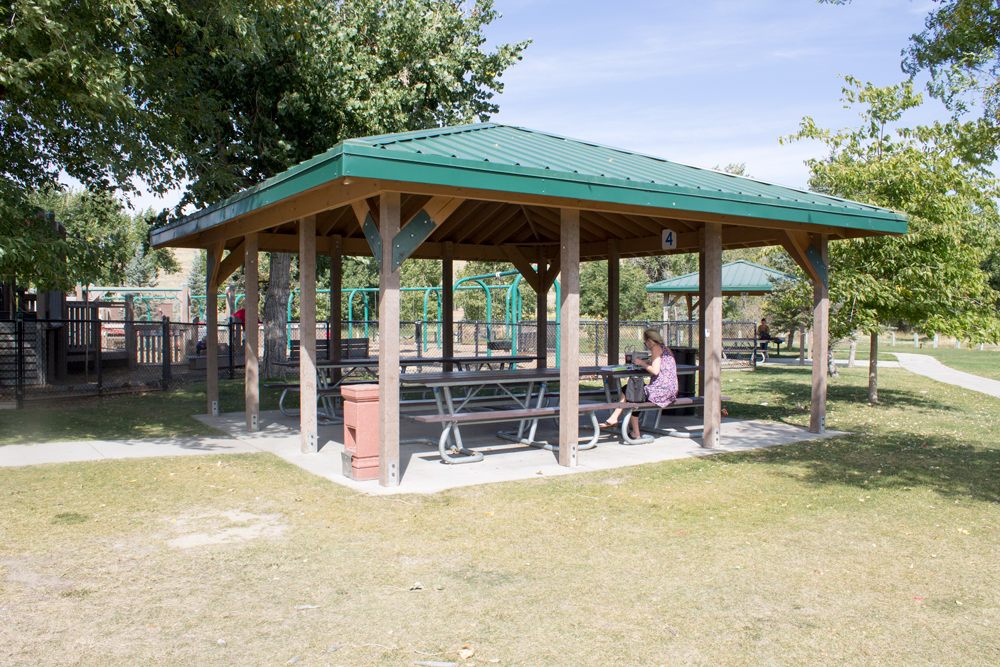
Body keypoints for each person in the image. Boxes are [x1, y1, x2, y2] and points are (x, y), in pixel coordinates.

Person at [600, 329, 678, 440]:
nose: (646, 345)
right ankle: (621, 422)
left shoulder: (656, 348)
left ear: (650, 341)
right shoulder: (666, 349)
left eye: (645, 343)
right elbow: (659, 365)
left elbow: (655, 371)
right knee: (633, 393)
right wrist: (647, 363)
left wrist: (641, 363)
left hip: (661, 390)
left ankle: (621, 422)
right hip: (671, 389)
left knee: (631, 391)